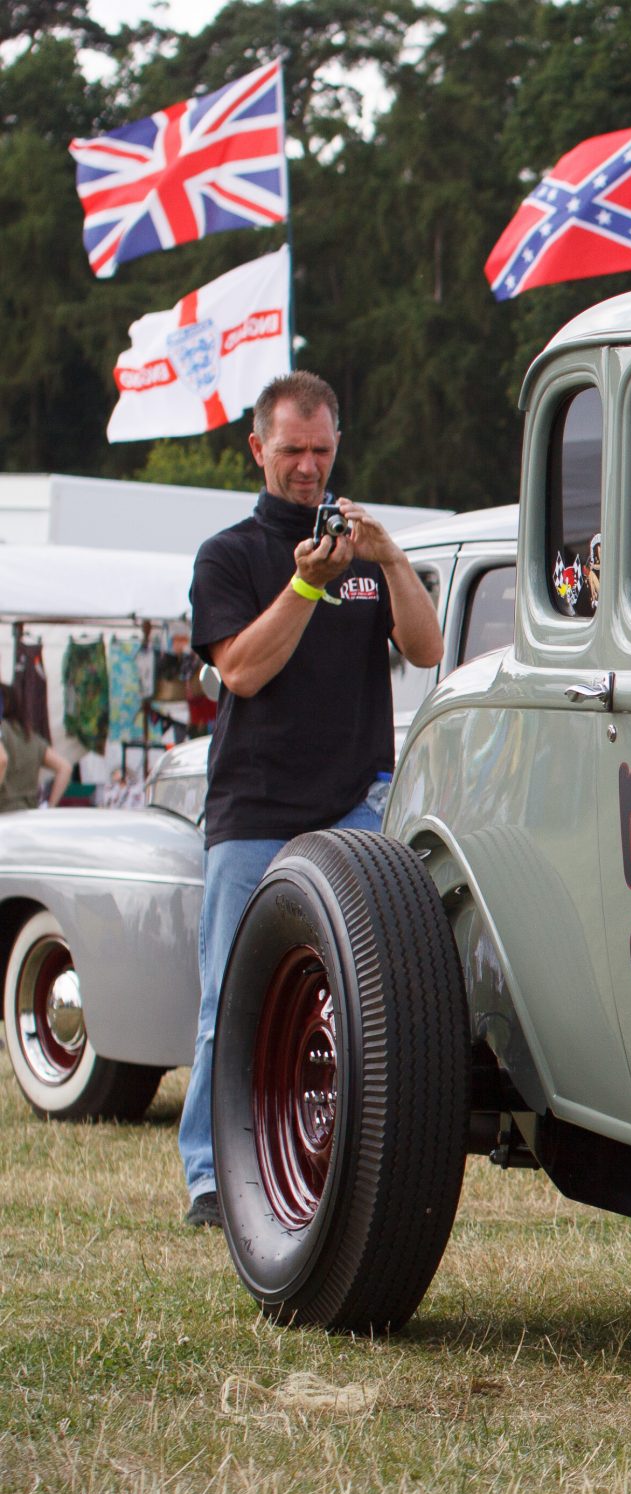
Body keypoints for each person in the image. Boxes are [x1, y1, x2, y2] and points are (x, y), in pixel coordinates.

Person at [175, 372, 443, 1230]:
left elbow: (428, 646)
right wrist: (306, 585)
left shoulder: (363, 552)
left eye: (322, 451)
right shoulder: (230, 556)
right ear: (258, 447)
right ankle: (211, 1174)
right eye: (292, 450)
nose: (308, 468)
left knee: (366, 1002)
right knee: (232, 1000)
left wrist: (391, 557)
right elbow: (243, 670)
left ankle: (337, 1161)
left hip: (353, 807)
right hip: (255, 808)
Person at [0, 681, 71, 811]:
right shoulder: (31, 737)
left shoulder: (3, 732)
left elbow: (2, 759)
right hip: (29, 815)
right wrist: (51, 806)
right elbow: (65, 767)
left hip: (4, 814)